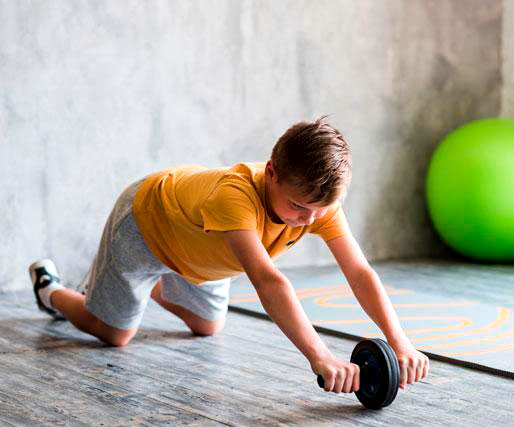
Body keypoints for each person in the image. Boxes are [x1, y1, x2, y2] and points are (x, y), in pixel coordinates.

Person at [29, 117, 429, 394]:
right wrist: (321, 356)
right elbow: (268, 281)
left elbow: (359, 272)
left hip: (199, 253)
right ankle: (51, 289)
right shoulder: (235, 198)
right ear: (271, 172)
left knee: (208, 327)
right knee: (115, 334)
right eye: (297, 207)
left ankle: (136, 288)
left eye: (319, 210)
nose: (308, 220)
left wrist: (401, 343)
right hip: (147, 225)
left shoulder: (318, 208)